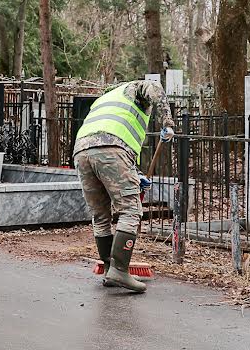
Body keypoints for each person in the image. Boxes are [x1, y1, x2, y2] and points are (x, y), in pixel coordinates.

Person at [73, 79, 175, 293]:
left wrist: (136, 176)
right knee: (130, 210)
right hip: (112, 150)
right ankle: (119, 269)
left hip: (82, 152)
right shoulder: (134, 87)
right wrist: (168, 123)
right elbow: (154, 88)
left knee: (100, 215)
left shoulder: (106, 99)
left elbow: (107, 138)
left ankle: (110, 269)